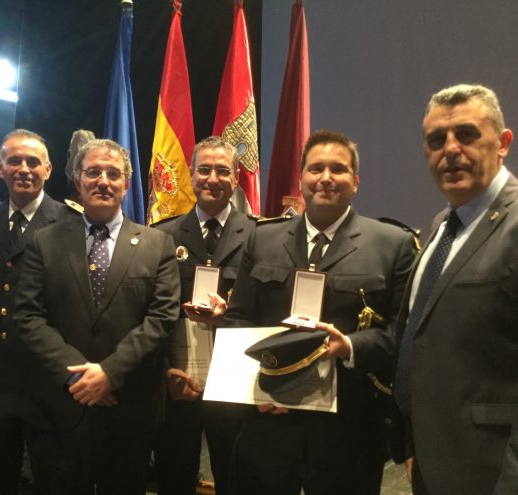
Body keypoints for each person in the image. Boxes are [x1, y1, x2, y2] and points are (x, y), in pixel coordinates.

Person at [224, 129, 417, 495]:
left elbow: (402, 335)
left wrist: (351, 345)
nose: (326, 178)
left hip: (348, 428)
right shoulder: (262, 239)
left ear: (355, 182)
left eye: (338, 169)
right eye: (315, 169)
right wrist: (265, 394)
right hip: (269, 427)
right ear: (301, 178)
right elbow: (238, 319)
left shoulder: (394, 245)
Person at [13, 138, 180, 495]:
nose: (103, 180)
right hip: (59, 408)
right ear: (77, 181)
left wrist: (109, 373)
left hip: (128, 407)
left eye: (113, 173)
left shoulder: (157, 244)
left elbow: (162, 318)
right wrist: (80, 378)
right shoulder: (44, 242)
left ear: (126, 184)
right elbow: (28, 316)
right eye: (93, 172)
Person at [392, 84, 518, 494]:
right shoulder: (441, 226)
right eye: (435, 140)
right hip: (434, 461)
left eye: (466, 134)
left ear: (502, 144)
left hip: (492, 470)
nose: (449, 150)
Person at [152, 136, 256, 495]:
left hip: (236, 382)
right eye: (205, 169)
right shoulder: (161, 236)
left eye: (223, 170)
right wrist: (165, 369)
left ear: (237, 178)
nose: (213, 178)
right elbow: (151, 314)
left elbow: (264, 310)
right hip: (180, 379)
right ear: (191, 175)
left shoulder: (261, 236)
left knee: (236, 476)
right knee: (174, 474)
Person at [0, 129, 66, 494]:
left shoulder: (70, 222)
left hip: (45, 372)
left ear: (48, 169)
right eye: (14, 160)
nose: (24, 168)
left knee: (52, 475)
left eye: (33, 162)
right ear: (0, 168)